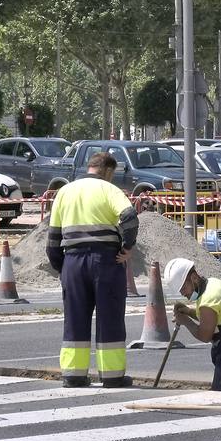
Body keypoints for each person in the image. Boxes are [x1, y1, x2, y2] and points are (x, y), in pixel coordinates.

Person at [46, 152, 139, 388]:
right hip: (106, 260)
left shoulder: (65, 192)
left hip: (72, 261)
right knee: (110, 318)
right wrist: (127, 247)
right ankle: (112, 376)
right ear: (107, 171)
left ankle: (73, 375)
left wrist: (63, 268)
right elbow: (129, 217)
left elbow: (53, 240)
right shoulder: (109, 190)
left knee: (75, 318)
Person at [164, 257, 221, 392]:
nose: (183, 293)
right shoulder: (214, 283)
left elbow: (204, 335)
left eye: (183, 288)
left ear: (194, 278)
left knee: (220, 401)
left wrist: (185, 321)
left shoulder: (208, 300)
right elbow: (212, 318)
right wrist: (188, 311)